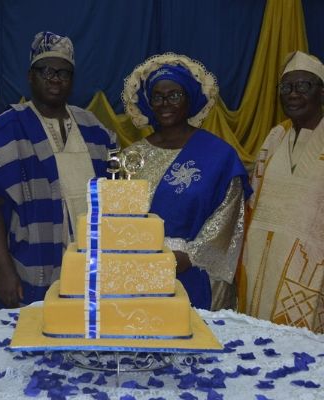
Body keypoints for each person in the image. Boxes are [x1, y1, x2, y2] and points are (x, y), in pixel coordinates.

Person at [0, 31, 117, 311]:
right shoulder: (10, 127)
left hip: (89, 262)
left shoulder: (94, 129)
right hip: (30, 262)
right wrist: (4, 269)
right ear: (30, 76)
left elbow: (113, 194)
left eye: (63, 72)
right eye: (46, 71)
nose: (55, 78)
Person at [122, 53, 252, 310]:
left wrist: (190, 256)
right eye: (158, 96)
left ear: (189, 99)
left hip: (195, 271)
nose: (165, 103)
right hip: (139, 268)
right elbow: (118, 215)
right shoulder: (131, 156)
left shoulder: (219, 155)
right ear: (149, 102)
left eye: (174, 95)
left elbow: (229, 215)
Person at [242, 51, 324, 333]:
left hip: (311, 265)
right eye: (286, 87)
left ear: (321, 92)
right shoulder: (275, 136)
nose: (293, 94)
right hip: (261, 258)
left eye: (303, 86)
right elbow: (253, 199)